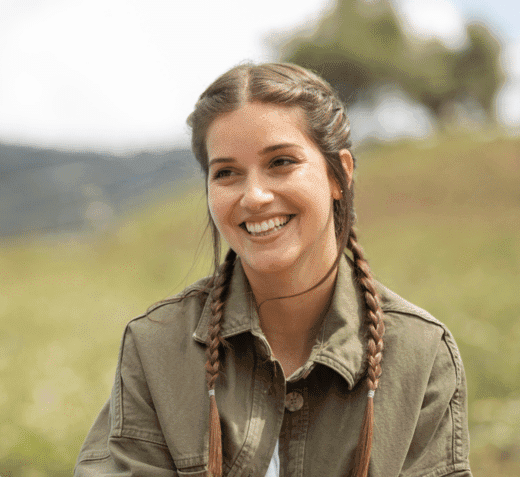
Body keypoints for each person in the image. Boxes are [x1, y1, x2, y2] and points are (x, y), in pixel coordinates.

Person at [75, 63, 472, 477]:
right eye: (226, 172)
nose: (255, 196)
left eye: (281, 162)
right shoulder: (157, 346)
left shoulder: (421, 353)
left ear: (341, 174)